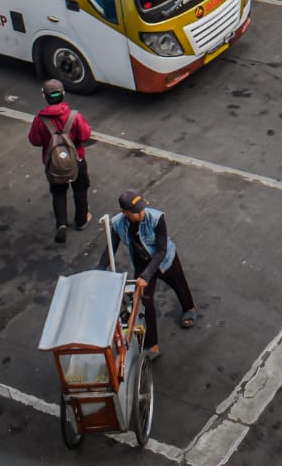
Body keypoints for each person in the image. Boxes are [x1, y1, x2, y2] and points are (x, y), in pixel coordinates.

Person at [99, 190, 196, 358]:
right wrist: (98, 272)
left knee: (179, 284)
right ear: (125, 213)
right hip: (142, 265)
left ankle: (189, 308)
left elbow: (161, 250)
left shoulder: (157, 218)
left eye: (142, 209)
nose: (141, 213)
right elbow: (110, 249)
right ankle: (152, 345)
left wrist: (146, 275)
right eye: (136, 212)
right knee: (146, 303)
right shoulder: (117, 224)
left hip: (165, 260)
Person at [27, 79, 91, 242]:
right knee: (80, 190)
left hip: (53, 164)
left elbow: (34, 140)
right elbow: (85, 135)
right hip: (76, 160)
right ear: (63, 94)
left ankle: (61, 223)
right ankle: (82, 220)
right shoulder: (74, 116)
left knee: (58, 192)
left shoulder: (40, 120)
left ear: (44, 96)